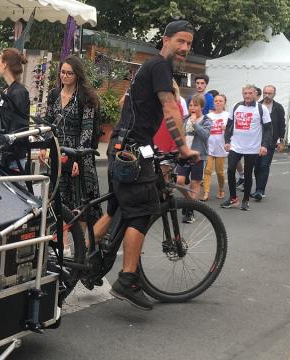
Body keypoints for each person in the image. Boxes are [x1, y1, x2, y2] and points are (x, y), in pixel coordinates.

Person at [92, 20, 199, 310]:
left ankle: (84, 259)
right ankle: (128, 279)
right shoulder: (160, 67)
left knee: (116, 208)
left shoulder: (149, 68)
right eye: (180, 41)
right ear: (165, 40)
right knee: (142, 212)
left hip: (126, 146)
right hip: (133, 150)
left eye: (189, 44)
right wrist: (184, 148)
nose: (185, 48)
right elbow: (169, 109)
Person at [44, 55, 102, 222]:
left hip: (79, 155)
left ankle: (83, 246)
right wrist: (44, 147)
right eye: (62, 72)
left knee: (81, 208)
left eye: (69, 73)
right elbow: (48, 124)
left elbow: (87, 131)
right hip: (58, 154)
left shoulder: (87, 97)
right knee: (58, 204)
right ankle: (65, 246)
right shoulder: (53, 94)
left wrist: (78, 158)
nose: (65, 76)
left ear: (77, 75)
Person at [221, 84, 272, 211]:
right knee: (231, 170)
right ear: (242, 94)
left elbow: (268, 129)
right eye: (245, 93)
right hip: (236, 145)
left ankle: (245, 200)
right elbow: (229, 126)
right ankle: (233, 198)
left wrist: (264, 145)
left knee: (248, 174)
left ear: (255, 94)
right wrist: (227, 141)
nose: (247, 96)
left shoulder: (261, 109)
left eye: (250, 93)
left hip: (252, 148)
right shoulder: (236, 106)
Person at [176, 95, 210, 223]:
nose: (193, 107)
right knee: (179, 181)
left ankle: (190, 210)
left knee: (195, 183)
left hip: (198, 156)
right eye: (190, 105)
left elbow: (205, 135)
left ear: (201, 106)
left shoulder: (206, 120)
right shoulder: (185, 119)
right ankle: (190, 203)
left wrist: (195, 123)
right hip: (185, 155)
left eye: (196, 105)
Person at [0, 48, 30, 172]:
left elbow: (17, 127)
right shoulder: (8, 90)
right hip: (6, 155)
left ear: (5, 65)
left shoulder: (18, 92)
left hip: (14, 158)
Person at [252, 85, 286, 200]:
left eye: (269, 93)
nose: (267, 95)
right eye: (265, 93)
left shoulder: (278, 108)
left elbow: (282, 125)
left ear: (274, 94)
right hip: (256, 141)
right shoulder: (257, 106)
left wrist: (281, 141)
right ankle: (258, 188)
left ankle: (260, 190)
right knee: (256, 167)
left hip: (270, 141)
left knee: (264, 165)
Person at [202, 94, 229, 201]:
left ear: (224, 103)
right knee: (207, 170)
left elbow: (233, 130)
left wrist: (226, 128)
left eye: (220, 101)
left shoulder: (228, 115)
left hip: (221, 147)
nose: (218, 102)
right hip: (209, 146)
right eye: (216, 101)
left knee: (220, 171)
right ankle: (206, 193)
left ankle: (221, 189)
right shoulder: (208, 116)